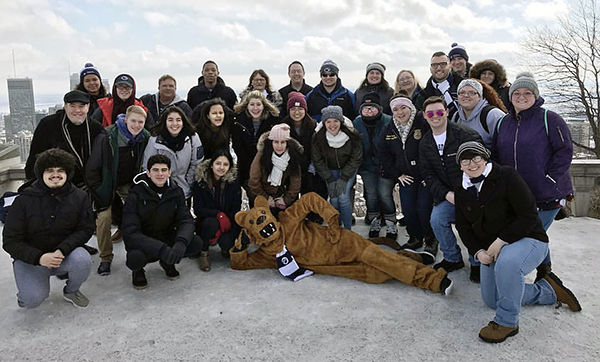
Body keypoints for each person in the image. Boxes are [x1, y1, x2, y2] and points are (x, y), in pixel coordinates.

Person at [454, 141, 581, 343]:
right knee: (492, 299)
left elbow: (529, 216)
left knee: (508, 264)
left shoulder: (506, 176)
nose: (472, 164)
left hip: (528, 238)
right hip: (491, 249)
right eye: (466, 160)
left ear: (485, 158)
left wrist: (500, 242)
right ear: (460, 165)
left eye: (476, 158)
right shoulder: (461, 189)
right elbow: (464, 227)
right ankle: (548, 292)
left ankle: (507, 322)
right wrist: (479, 252)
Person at [492, 72, 573, 281]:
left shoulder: (550, 119)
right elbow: (497, 156)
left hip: (546, 193)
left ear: (535, 96)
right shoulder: (503, 123)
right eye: (516, 93)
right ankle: (546, 272)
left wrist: (551, 180)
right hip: (516, 195)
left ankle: (543, 273)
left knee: (531, 233)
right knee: (536, 233)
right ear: (510, 97)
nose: (521, 96)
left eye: (527, 93)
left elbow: (564, 151)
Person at [3, 148, 94, 308]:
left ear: (68, 173)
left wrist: (62, 250)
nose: (55, 174)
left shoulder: (79, 197)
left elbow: (85, 229)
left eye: (60, 170)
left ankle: (72, 291)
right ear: (40, 173)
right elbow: (10, 241)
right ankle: (26, 293)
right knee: (32, 300)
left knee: (82, 260)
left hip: (63, 255)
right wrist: (39, 257)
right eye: (49, 170)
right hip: (32, 260)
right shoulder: (24, 200)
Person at [418, 96, 483, 281]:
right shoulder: (425, 143)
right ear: (425, 116)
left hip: (472, 193)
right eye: (430, 113)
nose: (435, 116)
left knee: (471, 222)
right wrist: (447, 195)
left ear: (447, 112)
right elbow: (428, 175)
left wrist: (467, 194)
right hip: (449, 195)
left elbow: (481, 165)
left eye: (439, 112)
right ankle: (452, 258)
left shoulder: (465, 135)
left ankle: (477, 261)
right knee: (437, 219)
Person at [86, 105, 151, 276]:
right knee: (104, 218)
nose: (136, 125)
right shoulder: (108, 136)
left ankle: (141, 249)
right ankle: (106, 257)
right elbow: (92, 168)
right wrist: (99, 191)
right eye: (133, 121)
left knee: (141, 211)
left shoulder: (144, 138)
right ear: (125, 119)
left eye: (141, 122)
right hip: (107, 182)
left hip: (129, 183)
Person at [122, 154, 204, 289]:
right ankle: (138, 271)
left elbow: (186, 220)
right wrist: (161, 249)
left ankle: (167, 262)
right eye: (155, 170)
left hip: (166, 236)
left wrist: (180, 243)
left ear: (169, 172)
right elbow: (130, 232)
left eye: (164, 170)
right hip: (144, 242)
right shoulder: (135, 194)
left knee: (195, 243)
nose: (160, 174)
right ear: (148, 173)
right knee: (135, 258)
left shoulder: (176, 191)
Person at [378, 94, 437, 255]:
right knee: (408, 208)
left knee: (424, 208)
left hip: (425, 176)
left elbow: (432, 149)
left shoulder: (422, 123)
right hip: (406, 176)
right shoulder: (390, 127)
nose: (400, 112)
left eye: (403, 108)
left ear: (410, 108)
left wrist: (430, 175)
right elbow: (383, 153)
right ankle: (415, 237)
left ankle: (430, 238)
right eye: (395, 109)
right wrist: (397, 175)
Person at [26, 90, 104, 189]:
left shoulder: (95, 128)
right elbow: (35, 156)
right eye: (72, 106)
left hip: (88, 187)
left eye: (81, 106)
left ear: (88, 107)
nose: (77, 110)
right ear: (65, 107)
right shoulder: (48, 125)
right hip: (55, 186)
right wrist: (34, 183)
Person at [312, 106, 362, 229]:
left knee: (343, 197)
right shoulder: (318, 137)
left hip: (347, 169)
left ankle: (347, 230)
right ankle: (336, 227)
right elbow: (317, 159)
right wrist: (329, 179)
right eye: (328, 121)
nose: (332, 125)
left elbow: (356, 157)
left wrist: (344, 178)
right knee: (334, 198)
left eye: (335, 121)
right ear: (324, 123)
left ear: (341, 121)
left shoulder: (351, 134)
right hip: (330, 170)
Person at [352, 93, 394, 239]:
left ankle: (390, 223)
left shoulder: (388, 121)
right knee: (371, 195)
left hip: (385, 166)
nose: (369, 111)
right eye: (366, 108)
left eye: (373, 108)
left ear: (380, 109)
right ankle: (374, 221)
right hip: (367, 166)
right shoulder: (357, 123)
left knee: (385, 194)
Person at [192, 149, 242, 271]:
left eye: (225, 164)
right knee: (211, 223)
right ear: (211, 164)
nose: (221, 167)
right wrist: (218, 215)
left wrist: (227, 224)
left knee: (226, 242)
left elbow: (236, 208)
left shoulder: (233, 183)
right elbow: (198, 209)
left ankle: (226, 247)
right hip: (207, 223)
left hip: (227, 223)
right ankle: (203, 252)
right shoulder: (201, 182)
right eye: (218, 163)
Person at [143, 106, 203, 201]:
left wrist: (188, 182)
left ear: (183, 122)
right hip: (160, 192)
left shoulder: (192, 138)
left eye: (178, 120)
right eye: (170, 120)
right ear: (165, 122)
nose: (174, 124)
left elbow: (197, 163)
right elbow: (147, 166)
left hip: (184, 190)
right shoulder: (155, 140)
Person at [281, 92, 328, 201]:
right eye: (293, 109)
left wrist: (313, 165)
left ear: (305, 110)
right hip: (290, 168)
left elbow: (318, 148)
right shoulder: (283, 126)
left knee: (310, 197)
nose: (297, 113)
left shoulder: (313, 125)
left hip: (310, 168)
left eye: (300, 109)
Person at [231, 90, 280, 192]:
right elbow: (237, 147)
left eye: (258, 104)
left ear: (264, 105)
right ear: (246, 106)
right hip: (246, 167)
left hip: (268, 167)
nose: (255, 108)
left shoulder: (273, 121)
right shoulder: (238, 122)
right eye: (252, 104)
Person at [248, 124, 303, 215]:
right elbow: (254, 181)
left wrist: (286, 199)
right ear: (271, 142)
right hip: (261, 192)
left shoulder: (292, 155)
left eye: (283, 142)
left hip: (280, 192)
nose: (279, 146)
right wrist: (266, 198)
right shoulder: (262, 155)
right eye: (276, 142)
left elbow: (296, 181)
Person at [451, 79, 506, 148]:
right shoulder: (456, 117)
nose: (466, 95)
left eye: (471, 93)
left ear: (480, 96)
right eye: (462, 92)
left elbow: (506, 143)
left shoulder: (492, 114)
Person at [414, 52, 463, 118]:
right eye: (434, 65)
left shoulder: (463, 86)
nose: (439, 68)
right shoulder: (423, 95)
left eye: (443, 64)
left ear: (450, 66)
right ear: (430, 69)